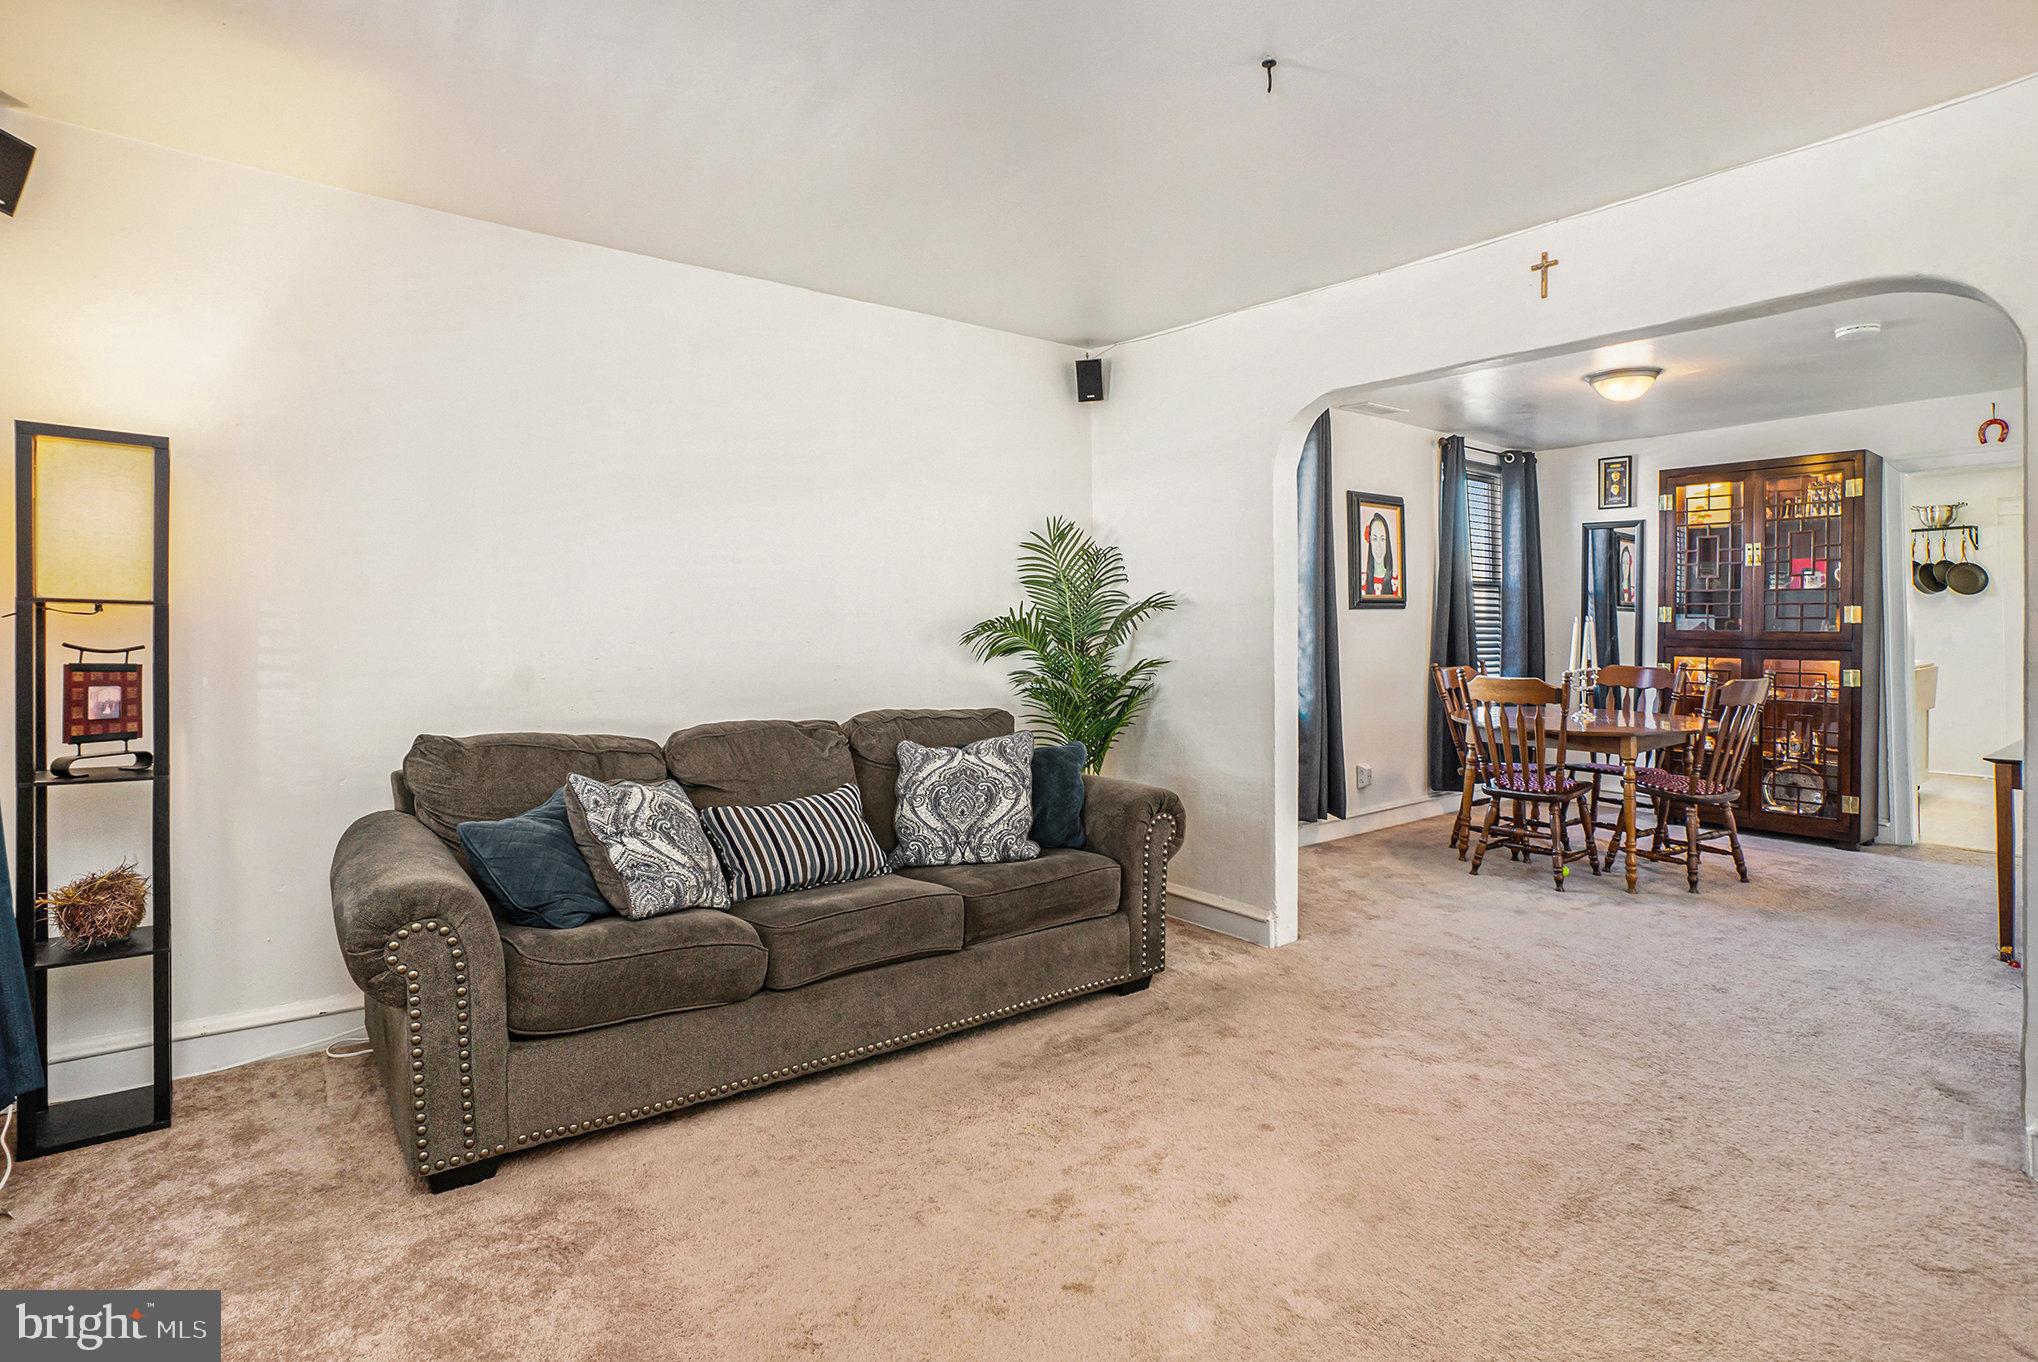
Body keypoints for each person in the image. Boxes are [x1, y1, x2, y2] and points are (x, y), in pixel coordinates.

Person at [1361, 512, 1397, 598]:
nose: (1379, 547)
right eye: (1375, 539)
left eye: (1383, 539)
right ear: (1370, 540)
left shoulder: (1396, 580)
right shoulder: (1361, 580)